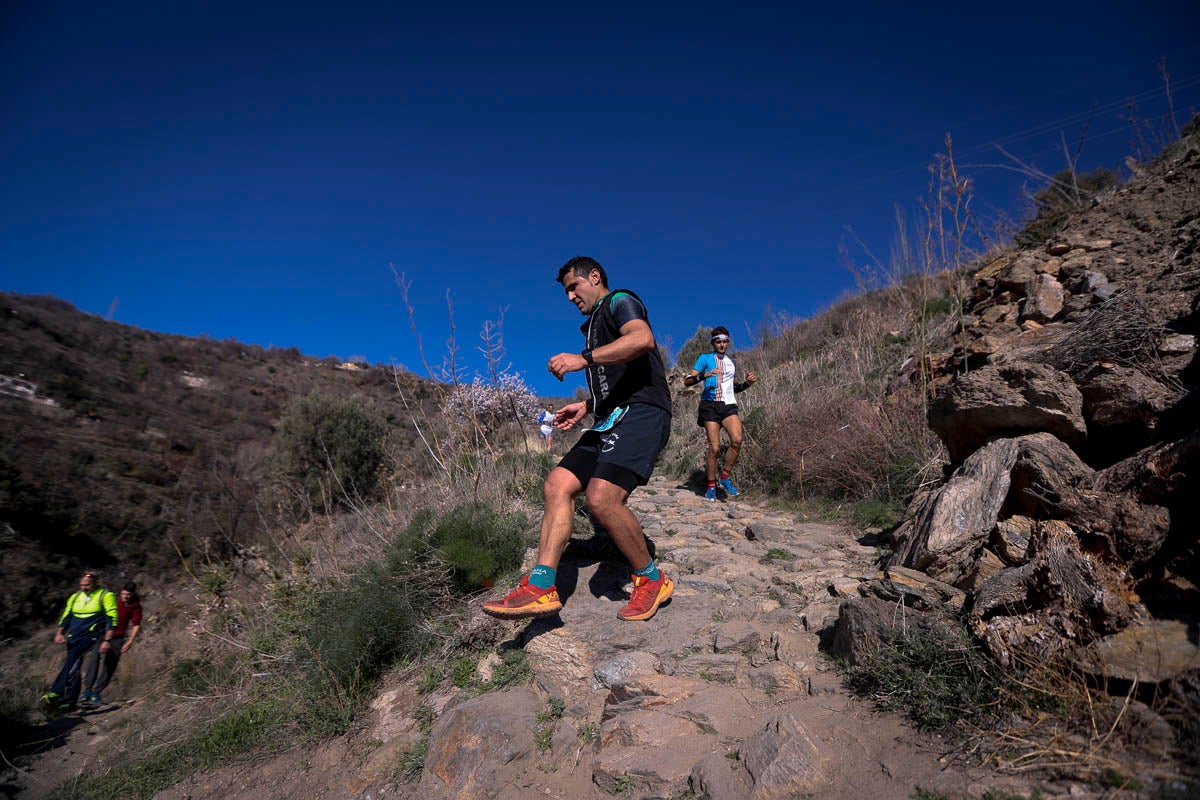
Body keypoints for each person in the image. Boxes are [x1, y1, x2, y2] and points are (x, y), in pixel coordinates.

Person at [484, 256, 674, 622]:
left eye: (574, 287)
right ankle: (541, 586)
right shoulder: (594, 326)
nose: (571, 297)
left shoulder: (620, 301)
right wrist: (586, 406)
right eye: (566, 292)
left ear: (595, 276)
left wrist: (583, 359)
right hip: (608, 418)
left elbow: (642, 339)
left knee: (602, 497)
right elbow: (616, 382)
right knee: (557, 484)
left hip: (643, 411)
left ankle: (651, 578)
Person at [684, 326, 757, 500]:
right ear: (713, 343)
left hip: (728, 406)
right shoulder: (705, 359)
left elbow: (734, 388)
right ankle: (711, 486)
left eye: (724, 341)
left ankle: (725, 477)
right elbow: (687, 381)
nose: (722, 345)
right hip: (710, 406)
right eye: (718, 342)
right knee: (715, 448)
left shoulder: (732, 363)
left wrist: (747, 384)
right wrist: (703, 376)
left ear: (728, 342)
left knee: (737, 440)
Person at [39, 572, 117, 713]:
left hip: (92, 635)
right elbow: (67, 615)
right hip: (74, 636)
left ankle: (56, 692)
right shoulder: (75, 597)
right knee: (74, 666)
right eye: (81, 585)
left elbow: (112, 618)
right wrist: (59, 633)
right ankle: (70, 702)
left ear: (96, 582)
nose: (83, 587)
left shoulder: (106, 596)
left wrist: (107, 639)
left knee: (73, 657)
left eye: (87, 585)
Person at [83, 581, 143, 707]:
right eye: (124, 593)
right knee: (94, 658)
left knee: (110, 666)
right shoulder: (113, 600)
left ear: (133, 594)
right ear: (121, 592)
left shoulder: (135, 606)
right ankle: (87, 690)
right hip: (102, 634)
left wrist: (130, 640)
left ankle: (96, 693)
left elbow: (136, 624)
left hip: (118, 638)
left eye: (128, 595)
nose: (125, 596)